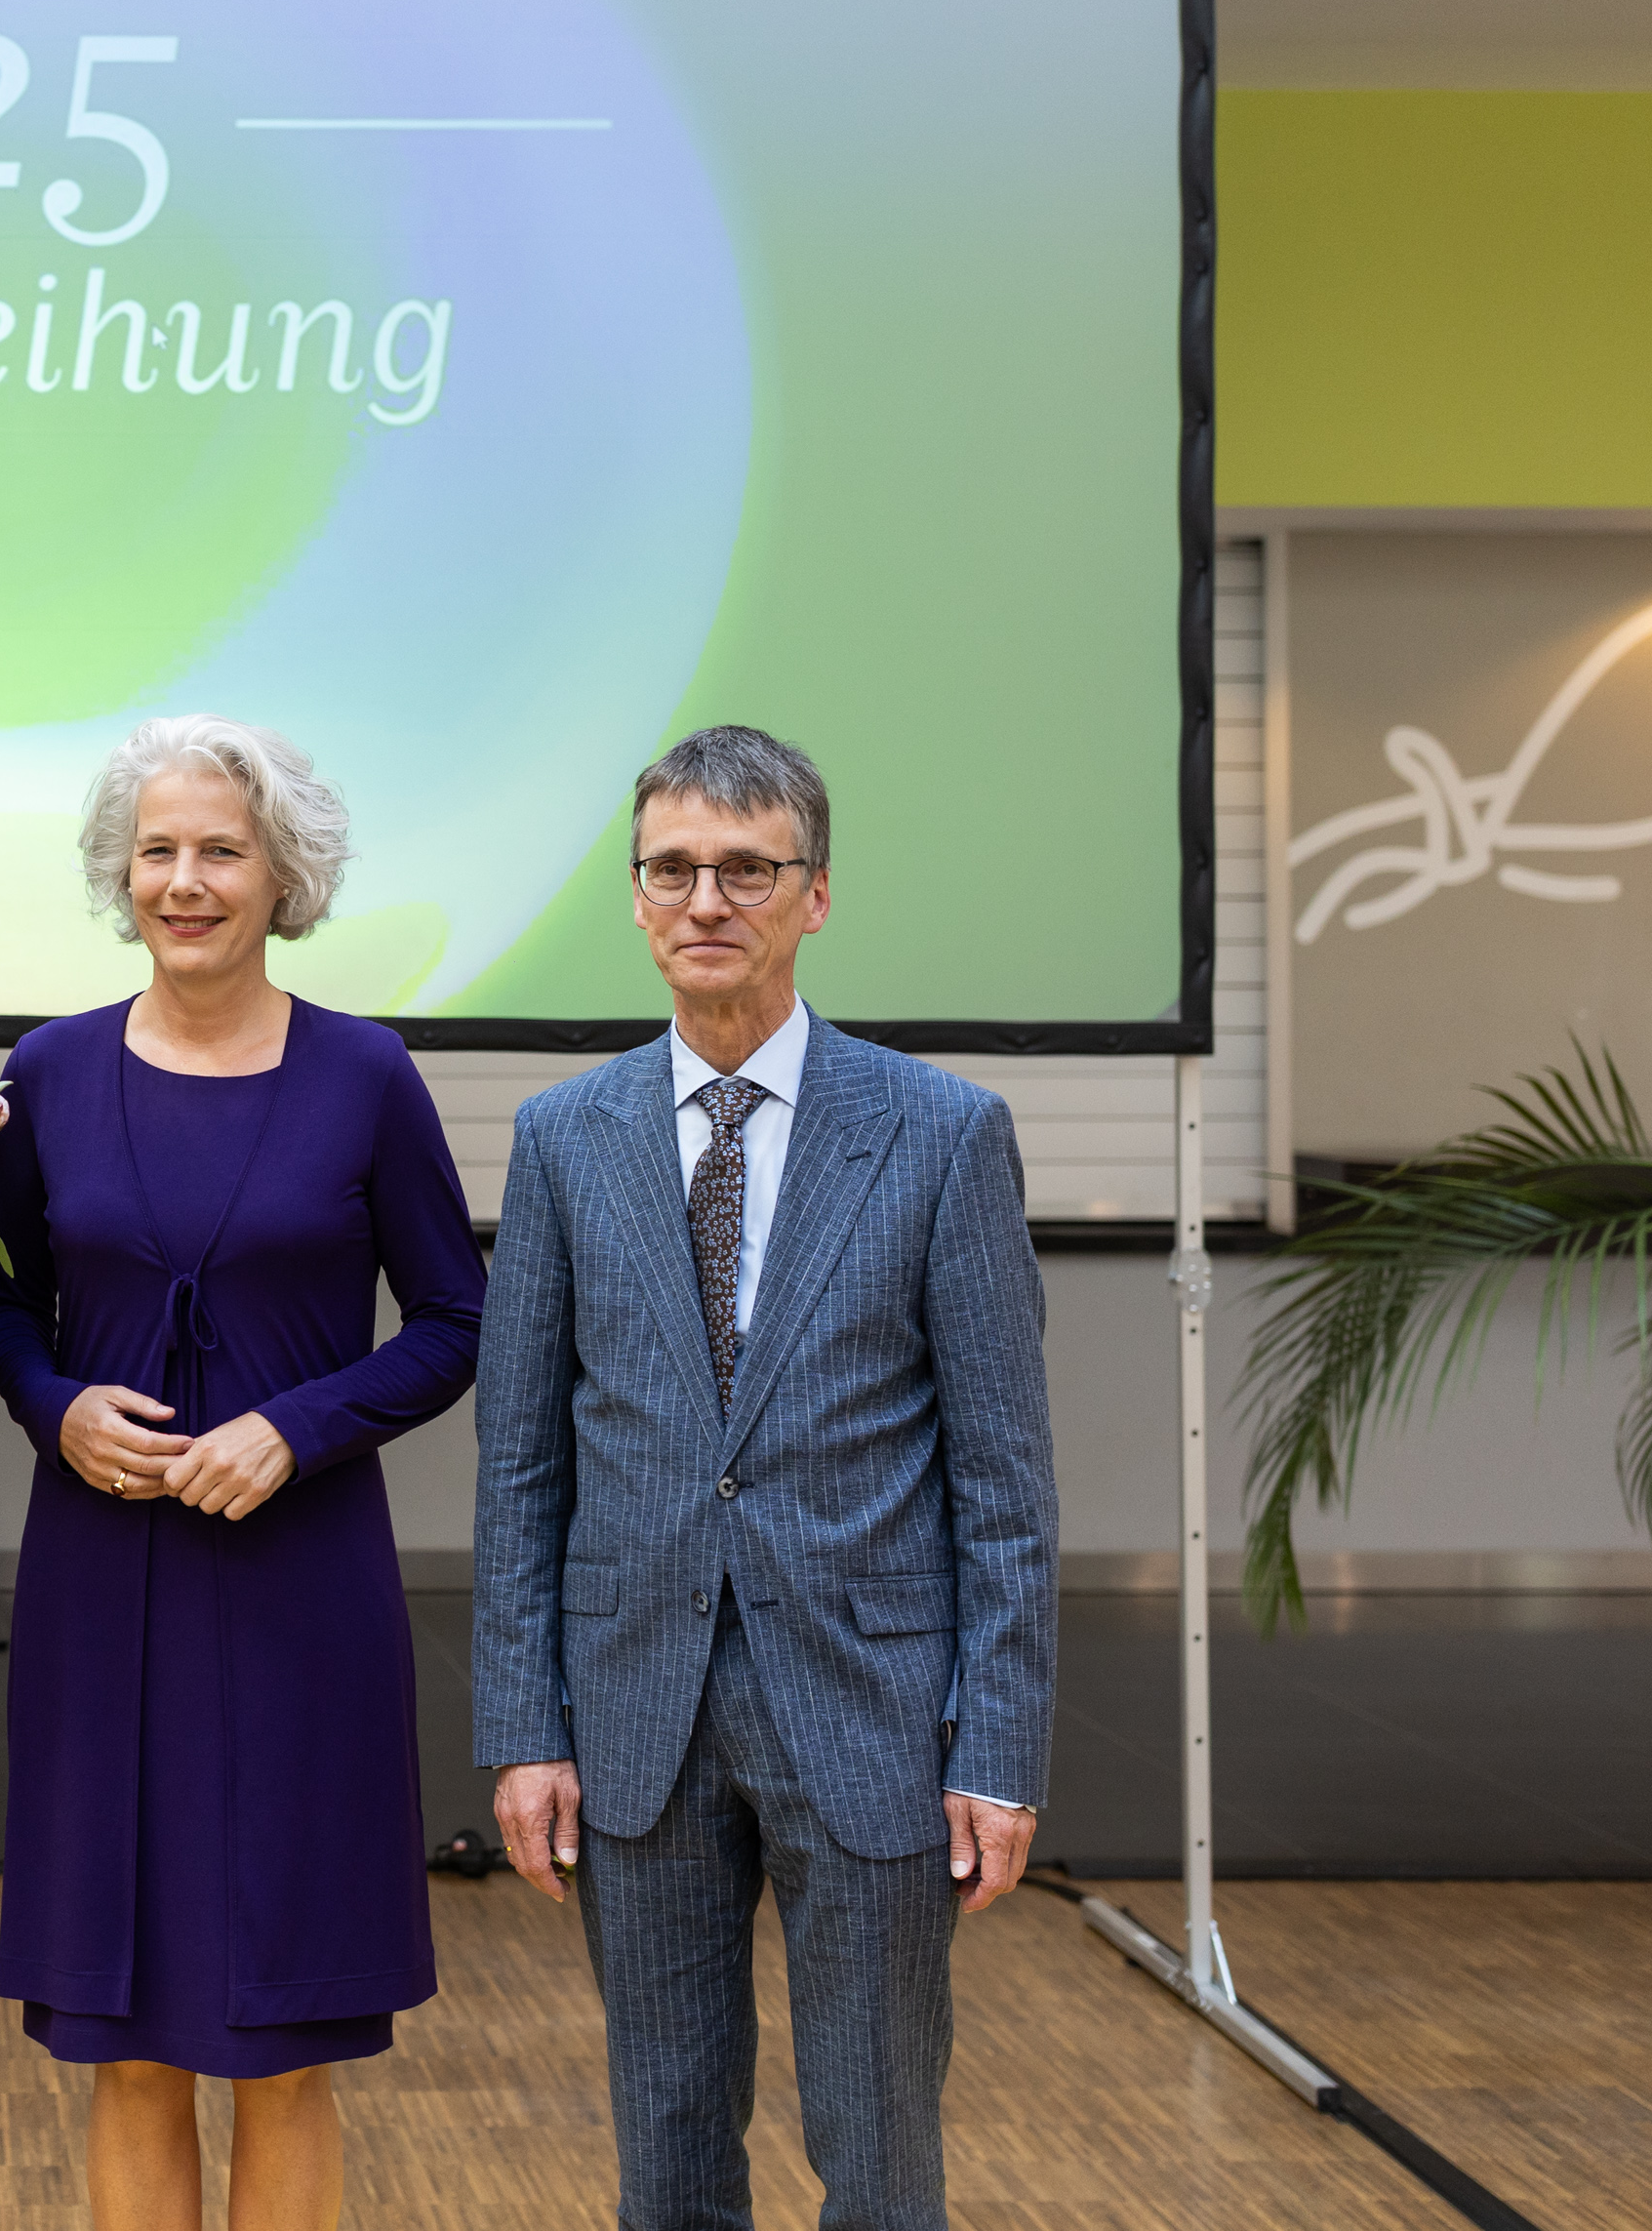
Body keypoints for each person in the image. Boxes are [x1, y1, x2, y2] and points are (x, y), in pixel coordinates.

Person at [472, 723, 1056, 2231]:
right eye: (674, 868)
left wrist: (996, 1743)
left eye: (748, 868)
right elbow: (524, 1462)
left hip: (873, 1715)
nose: (707, 900)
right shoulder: (562, 1139)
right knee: (666, 2147)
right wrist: (525, 1721)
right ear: (638, 893)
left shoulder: (940, 1134)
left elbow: (1005, 1480)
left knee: (876, 2147)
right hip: (634, 1714)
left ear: (815, 895)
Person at [0, 716, 482, 2231]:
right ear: (120, 874)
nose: (184, 881)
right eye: (157, 851)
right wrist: (57, 1408)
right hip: (96, 1588)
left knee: (280, 2046)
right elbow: (3, 1308)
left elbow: (457, 1318)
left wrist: (298, 1426)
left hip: (301, 1594)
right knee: (122, 2045)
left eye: (220, 851)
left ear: (283, 876)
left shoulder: (368, 1074)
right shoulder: (48, 1075)